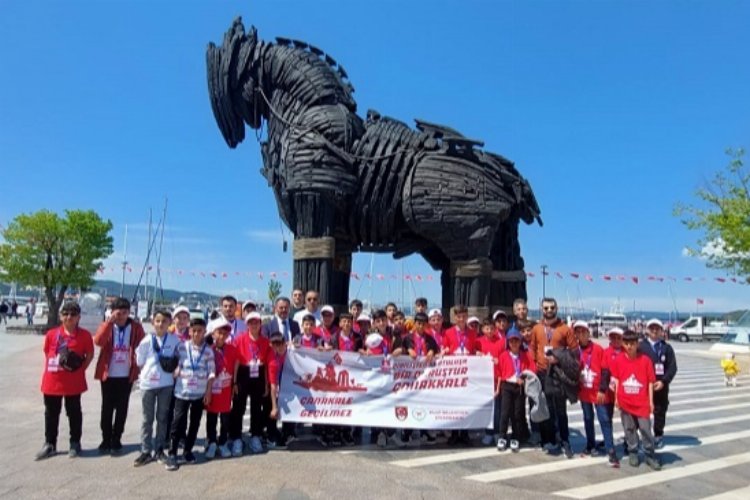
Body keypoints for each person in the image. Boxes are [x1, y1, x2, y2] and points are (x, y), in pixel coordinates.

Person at [36, 301, 94, 460]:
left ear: (79, 317)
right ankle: (50, 443)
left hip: (73, 382)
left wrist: (81, 369)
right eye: (66, 314)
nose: (69, 317)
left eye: (73, 314)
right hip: (52, 381)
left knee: (74, 412)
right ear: (61, 316)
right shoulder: (52, 334)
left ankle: (75, 442)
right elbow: (47, 352)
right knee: (51, 413)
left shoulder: (84, 335)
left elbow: (89, 354)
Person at [94, 297, 145, 455]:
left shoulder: (135, 327)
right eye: (118, 313)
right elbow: (98, 341)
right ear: (112, 312)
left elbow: (142, 345)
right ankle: (105, 438)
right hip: (108, 373)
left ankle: (117, 439)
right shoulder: (107, 325)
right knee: (107, 408)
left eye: (124, 313)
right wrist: (109, 323)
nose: (121, 316)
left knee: (122, 408)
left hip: (126, 374)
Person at [529, 297, 578, 458]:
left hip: (557, 373)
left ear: (556, 308)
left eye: (551, 308)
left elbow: (574, 352)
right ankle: (549, 439)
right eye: (546, 308)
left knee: (560, 410)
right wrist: (535, 366)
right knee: (546, 408)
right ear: (541, 310)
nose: (549, 310)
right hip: (542, 372)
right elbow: (532, 348)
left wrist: (559, 359)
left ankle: (565, 440)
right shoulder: (536, 328)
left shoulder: (565, 329)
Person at [165, 318, 216, 471]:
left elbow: (211, 372)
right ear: (189, 331)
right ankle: (172, 453)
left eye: (200, 331)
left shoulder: (208, 351)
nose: (197, 334)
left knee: (195, 423)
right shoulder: (181, 347)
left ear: (204, 332)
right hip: (182, 392)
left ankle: (188, 451)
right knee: (178, 422)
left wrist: (208, 391)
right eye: (194, 331)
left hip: (199, 394)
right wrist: (175, 370)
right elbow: (175, 364)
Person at [134, 309, 179, 466]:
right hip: (148, 384)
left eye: (164, 321)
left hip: (166, 384)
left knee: (162, 418)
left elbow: (178, 359)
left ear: (169, 323)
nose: (161, 324)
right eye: (158, 321)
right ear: (153, 323)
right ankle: (146, 450)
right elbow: (139, 361)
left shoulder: (174, 341)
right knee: (147, 419)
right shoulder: (146, 340)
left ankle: (159, 449)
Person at [611, 329, 661, 470]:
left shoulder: (645, 361)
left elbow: (651, 382)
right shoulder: (619, 360)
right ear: (622, 344)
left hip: (642, 402)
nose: (629, 347)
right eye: (626, 343)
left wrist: (651, 401)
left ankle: (649, 454)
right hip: (625, 401)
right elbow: (617, 381)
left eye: (632, 343)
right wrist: (616, 399)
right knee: (629, 428)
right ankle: (633, 451)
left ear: (637, 344)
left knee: (645, 429)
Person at [574, 321, 617, 466]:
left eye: (583, 331)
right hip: (584, 392)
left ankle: (611, 449)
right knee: (587, 418)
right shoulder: (575, 351)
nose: (581, 335)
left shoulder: (598, 349)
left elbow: (606, 371)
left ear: (588, 333)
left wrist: (602, 390)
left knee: (604, 419)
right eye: (578, 332)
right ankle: (590, 444)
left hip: (598, 392)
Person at [230, 311, 271, 456]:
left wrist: (266, 383)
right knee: (238, 407)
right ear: (247, 324)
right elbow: (235, 362)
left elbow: (266, 365)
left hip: (258, 374)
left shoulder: (265, 342)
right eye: (251, 322)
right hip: (243, 373)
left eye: (256, 322)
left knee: (256, 407)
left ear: (260, 324)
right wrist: (234, 382)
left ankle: (255, 436)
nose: (254, 325)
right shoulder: (240, 339)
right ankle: (236, 438)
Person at [638, 318, 677, 449]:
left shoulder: (666, 348)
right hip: (644, 387)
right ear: (647, 330)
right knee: (643, 412)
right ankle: (644, 436)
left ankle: (658, 435)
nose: (654, 331)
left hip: (661, 387)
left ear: (661, 331)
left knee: (660, 412)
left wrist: (664, 381)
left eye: (657, 329)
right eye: (652, 328)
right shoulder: (641, 347)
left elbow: (672, 367)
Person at [496, 328, 535, 452]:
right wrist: (498, 387)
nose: (514, 344)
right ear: (508, 342)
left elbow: (532, 369)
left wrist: (523, 378)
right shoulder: (503, 356)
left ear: (520, 342)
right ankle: (502, 436)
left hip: (519, 387)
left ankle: (515, 437)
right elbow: (499, 373)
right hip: (507, 386)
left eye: (516, 341)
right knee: (505, 412)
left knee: (518, 413)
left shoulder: (525, 356)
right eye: (511, 341)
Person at [204, 317, 238, 459]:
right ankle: (212, 442)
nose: (222, 336)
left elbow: (236, 364)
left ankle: (223, 442)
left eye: (225, 333)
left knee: (225, 418)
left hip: (226, 390)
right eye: (219, 333)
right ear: (213, 334)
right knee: (211, 418)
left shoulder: (232, 349)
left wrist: (234, 382)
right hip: (212, 390)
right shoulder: (207, 350)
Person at [476, 319, 505, 445]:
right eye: (487, 328)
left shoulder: (500, 342)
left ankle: (497, 432)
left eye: (492, 328)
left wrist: (498, 361)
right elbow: (473, 356)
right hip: (483, 380)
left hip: (496, 378)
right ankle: (488, 432)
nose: (489, 331)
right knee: (487, 408)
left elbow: (503, 359)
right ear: (482, 329)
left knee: (498, 408)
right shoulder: (478, 342)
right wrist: (479, 354)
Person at [267, 331, 295, 446]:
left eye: (280, 343)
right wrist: (274, 407)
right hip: (277, 386)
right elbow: (273, 385)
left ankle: (288, 433)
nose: (278, 347)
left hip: (290, 387)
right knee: (273, 412)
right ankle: (271, 435)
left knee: (290, 411)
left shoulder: (292, 353)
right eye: (274, 344)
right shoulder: (272, 360)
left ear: (285, 343)